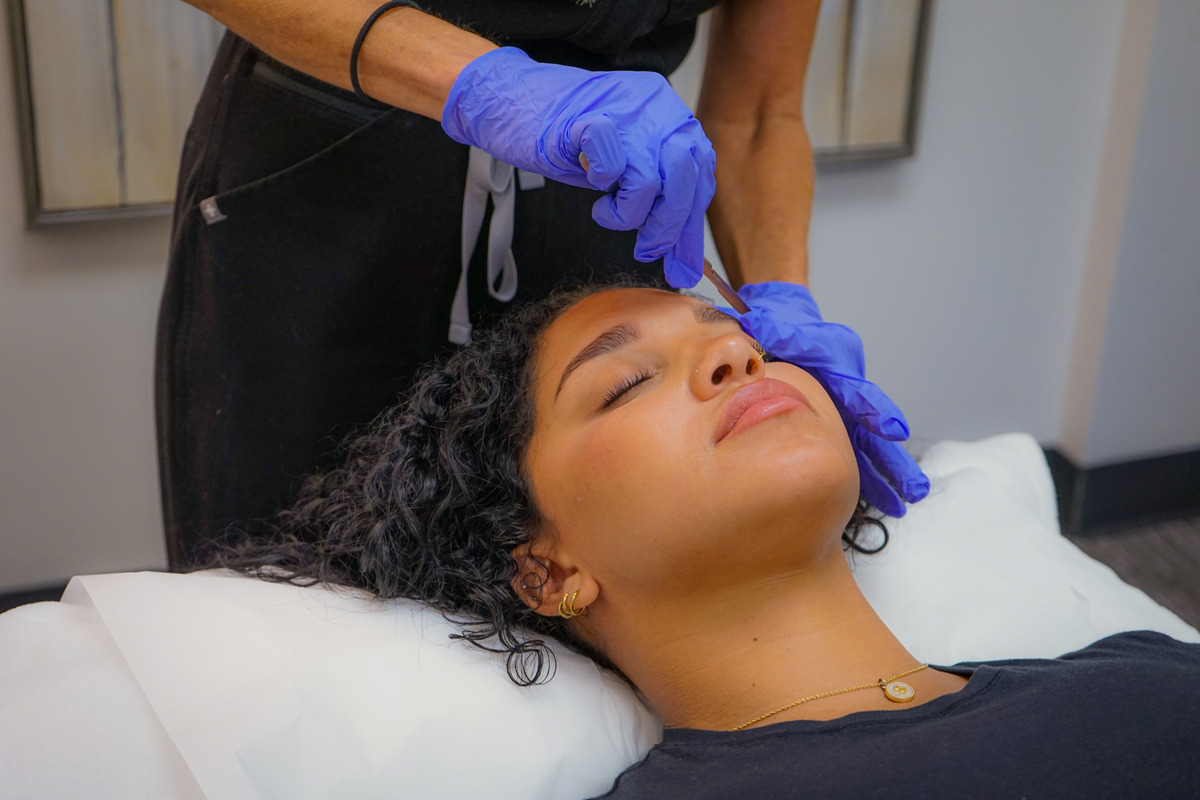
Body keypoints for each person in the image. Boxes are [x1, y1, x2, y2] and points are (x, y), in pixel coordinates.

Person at [215, 279, 1199, 798]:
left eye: (743, 341)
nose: (737, 349)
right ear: (546, 564)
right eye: (625, 381)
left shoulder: (1146, 674)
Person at [160, 0, 927, 569]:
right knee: (278, 567)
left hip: (600, 175)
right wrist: (480, 84)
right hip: (335, 158)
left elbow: (759, 114)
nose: (736, 361)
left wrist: (782, 299)